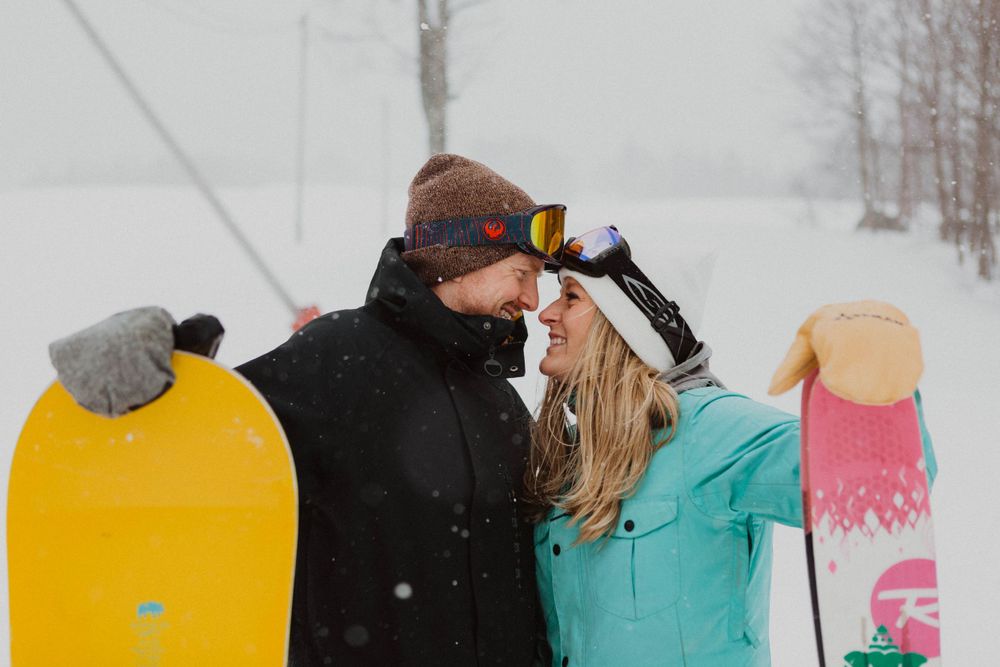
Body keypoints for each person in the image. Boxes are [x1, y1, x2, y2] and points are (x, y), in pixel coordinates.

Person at [48, 154, 566, 666]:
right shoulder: (340, 359)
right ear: (460, 259)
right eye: (521, 273)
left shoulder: (496, 394)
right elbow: (197, 448)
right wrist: (147, 377)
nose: (530, 299)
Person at [524, 226, 937, 666]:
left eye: (571, 297)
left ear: (627, 323)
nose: (546, 313)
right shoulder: (570, 452)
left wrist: (872, 382)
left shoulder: (706, 430)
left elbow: (879, 481)